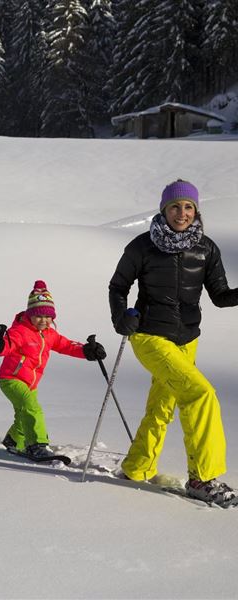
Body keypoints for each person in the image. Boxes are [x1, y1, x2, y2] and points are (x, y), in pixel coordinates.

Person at [109, 179, 238, 507]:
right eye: (175, 206)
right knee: (201, 394)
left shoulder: (207, 248)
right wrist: (120, 316)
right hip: (150, 336)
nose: (182, 213)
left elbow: (220, 296)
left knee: (162, 407)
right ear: (164, 209)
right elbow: (118, 286)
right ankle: (202, 478)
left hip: (187, 340)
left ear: (196, 211)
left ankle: (136, 468)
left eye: (188, 207)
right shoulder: (142, 246)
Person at [0, 280, 106, 459]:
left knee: (23, 411)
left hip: (31, 383)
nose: (44, 320)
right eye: (39, 316)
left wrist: (87, 351)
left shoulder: (50, 334)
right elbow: (8, 346)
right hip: (11, 378)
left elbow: (66, 345)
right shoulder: (20, 331)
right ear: (30, 315)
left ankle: (13, 440)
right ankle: (37, 444)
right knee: (31, 408)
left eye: (48, 316)